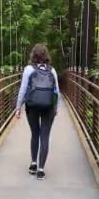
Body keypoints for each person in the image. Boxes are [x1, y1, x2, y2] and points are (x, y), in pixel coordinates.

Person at [15, 44, 60, 180]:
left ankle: (33, 164)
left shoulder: (28, 69)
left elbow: (23, 89)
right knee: (44, 136)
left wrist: (18, 107)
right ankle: (41, 170)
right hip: (48, 107)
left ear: (33, 55)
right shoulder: (52, 71)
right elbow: (57, 91)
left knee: (35, 133)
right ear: (46, 55)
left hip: (32, 105)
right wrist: (55, 108)